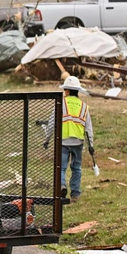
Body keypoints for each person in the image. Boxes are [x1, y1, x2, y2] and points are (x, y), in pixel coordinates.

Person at [44, 75, 94, 203]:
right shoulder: (83, 107)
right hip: (78, 142)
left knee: (61, 167)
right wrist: (91, 145)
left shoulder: (60, 104)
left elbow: (51, 123)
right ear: (78, 91)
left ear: (66, 90)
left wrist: (47, 139)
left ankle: (61, 186)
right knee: (76, 168)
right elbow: (88, 128)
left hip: (63, 141)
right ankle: (75, 193)